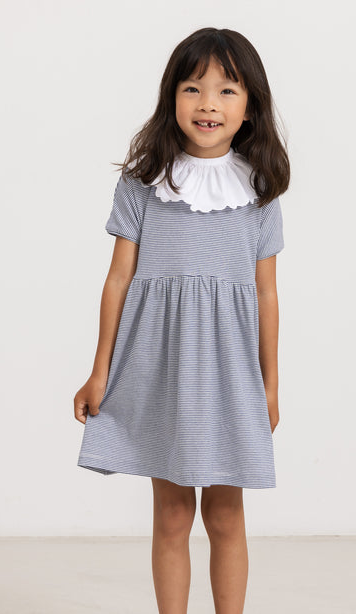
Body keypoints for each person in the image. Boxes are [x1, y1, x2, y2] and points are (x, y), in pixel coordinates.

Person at [74, 26, 289, 614]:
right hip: (160, 370)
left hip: (229, 375)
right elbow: (118, 280)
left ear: (250, 107)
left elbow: (266, 294)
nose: (208, 103)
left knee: (225, 515)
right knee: (171, 514)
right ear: (172, 97)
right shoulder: (143, 183)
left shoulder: (259, 191)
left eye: (226, 90)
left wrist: (271, 385)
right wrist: (99, 372)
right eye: (193, 88)